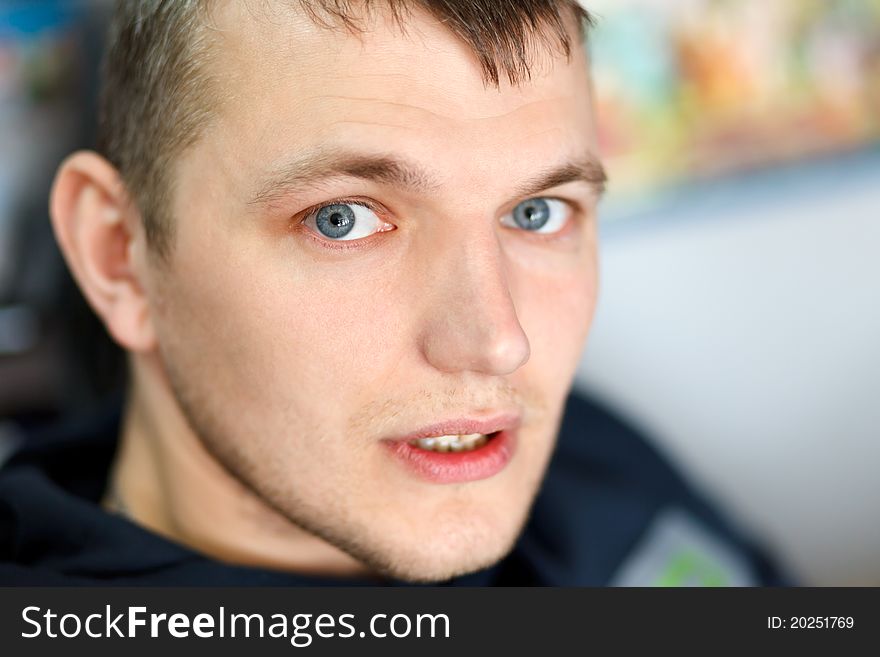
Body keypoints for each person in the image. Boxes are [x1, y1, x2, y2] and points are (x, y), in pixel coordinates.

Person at [0, 0, 788, 586]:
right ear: (119, 256)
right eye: (341, 220)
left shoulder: (582, 453)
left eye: (535, 212)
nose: (495, 341)